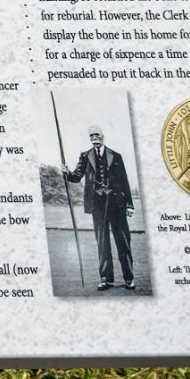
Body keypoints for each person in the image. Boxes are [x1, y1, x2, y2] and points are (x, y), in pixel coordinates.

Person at [63, 125, 135, 291]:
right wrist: (66, 173)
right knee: (102, 243)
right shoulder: (85, 156)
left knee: (122, 241)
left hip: (116, 204)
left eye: (97, 135)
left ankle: (129, 278)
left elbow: (124, 182)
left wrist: (129, 205)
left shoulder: (115, 156)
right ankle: (105, 279)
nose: (94, 137)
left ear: (103, 136)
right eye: (91, 135)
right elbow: (76, 177)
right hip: (98, 205)